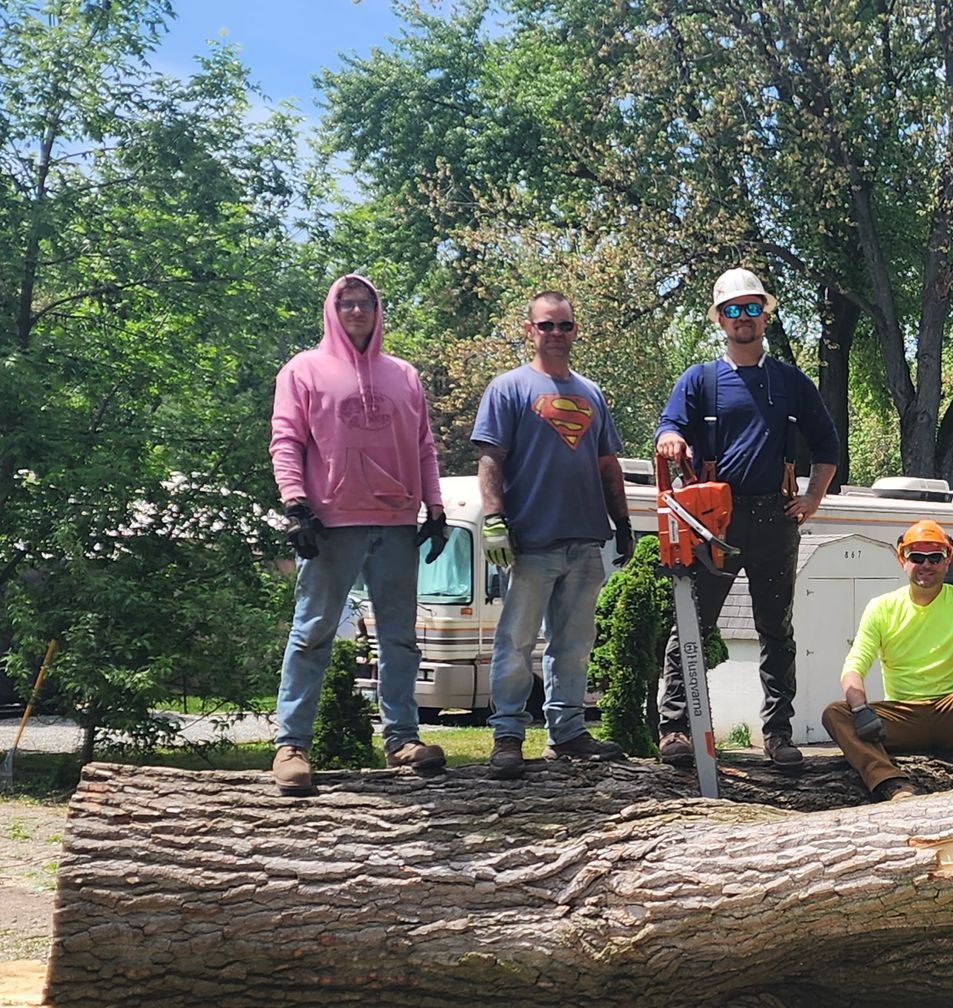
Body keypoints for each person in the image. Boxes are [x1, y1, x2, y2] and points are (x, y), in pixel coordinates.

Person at [654, 267, 840, 773]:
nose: (743, 318)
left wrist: (813, 498)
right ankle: (675, 727)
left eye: (751, 308)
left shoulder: (789, 381)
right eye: (732, 310)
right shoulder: (700, 380)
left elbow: (828, 447)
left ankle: (776, 733)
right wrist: (670, 439)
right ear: (719, 319)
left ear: (765, 314)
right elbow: (668, 426)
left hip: (774, 517)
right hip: (713, 519)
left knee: (775, 628)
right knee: (692, 622)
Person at [269, 272, 447, 796]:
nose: (355, 311)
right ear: (332, 309)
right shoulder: (303, 370)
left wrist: (434, 508)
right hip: (330, 521)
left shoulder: (403, 375)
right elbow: (285, 439)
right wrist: (295, 504)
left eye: (365, 302)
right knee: (313, 632)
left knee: (400, 638)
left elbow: (424, 448)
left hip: (395, 523)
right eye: (345, 303)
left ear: (377, 309)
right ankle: (292, 745)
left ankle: (402, 741)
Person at [474, 290, 632, 779]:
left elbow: (608, 464)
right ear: (530, 331)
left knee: (574, 643)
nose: (556, 334)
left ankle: (567, 734)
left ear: (575, 331)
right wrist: (495, 518)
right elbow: (489, 459)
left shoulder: (592, 393)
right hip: (531, 542)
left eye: (564, 326)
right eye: (546, 326)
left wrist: (622, 522)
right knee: (516, 642)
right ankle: (506, 735)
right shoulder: (508, 388)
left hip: (586, 540)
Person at [822, 520, 953, 815]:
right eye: (917, 557)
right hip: (903, 715)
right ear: (902, 559)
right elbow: (854, 665)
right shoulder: (881, 607)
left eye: (935, 557)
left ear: (948, 558)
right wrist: (859, 708)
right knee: (835, 713)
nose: (926, 565)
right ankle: (892, 786)